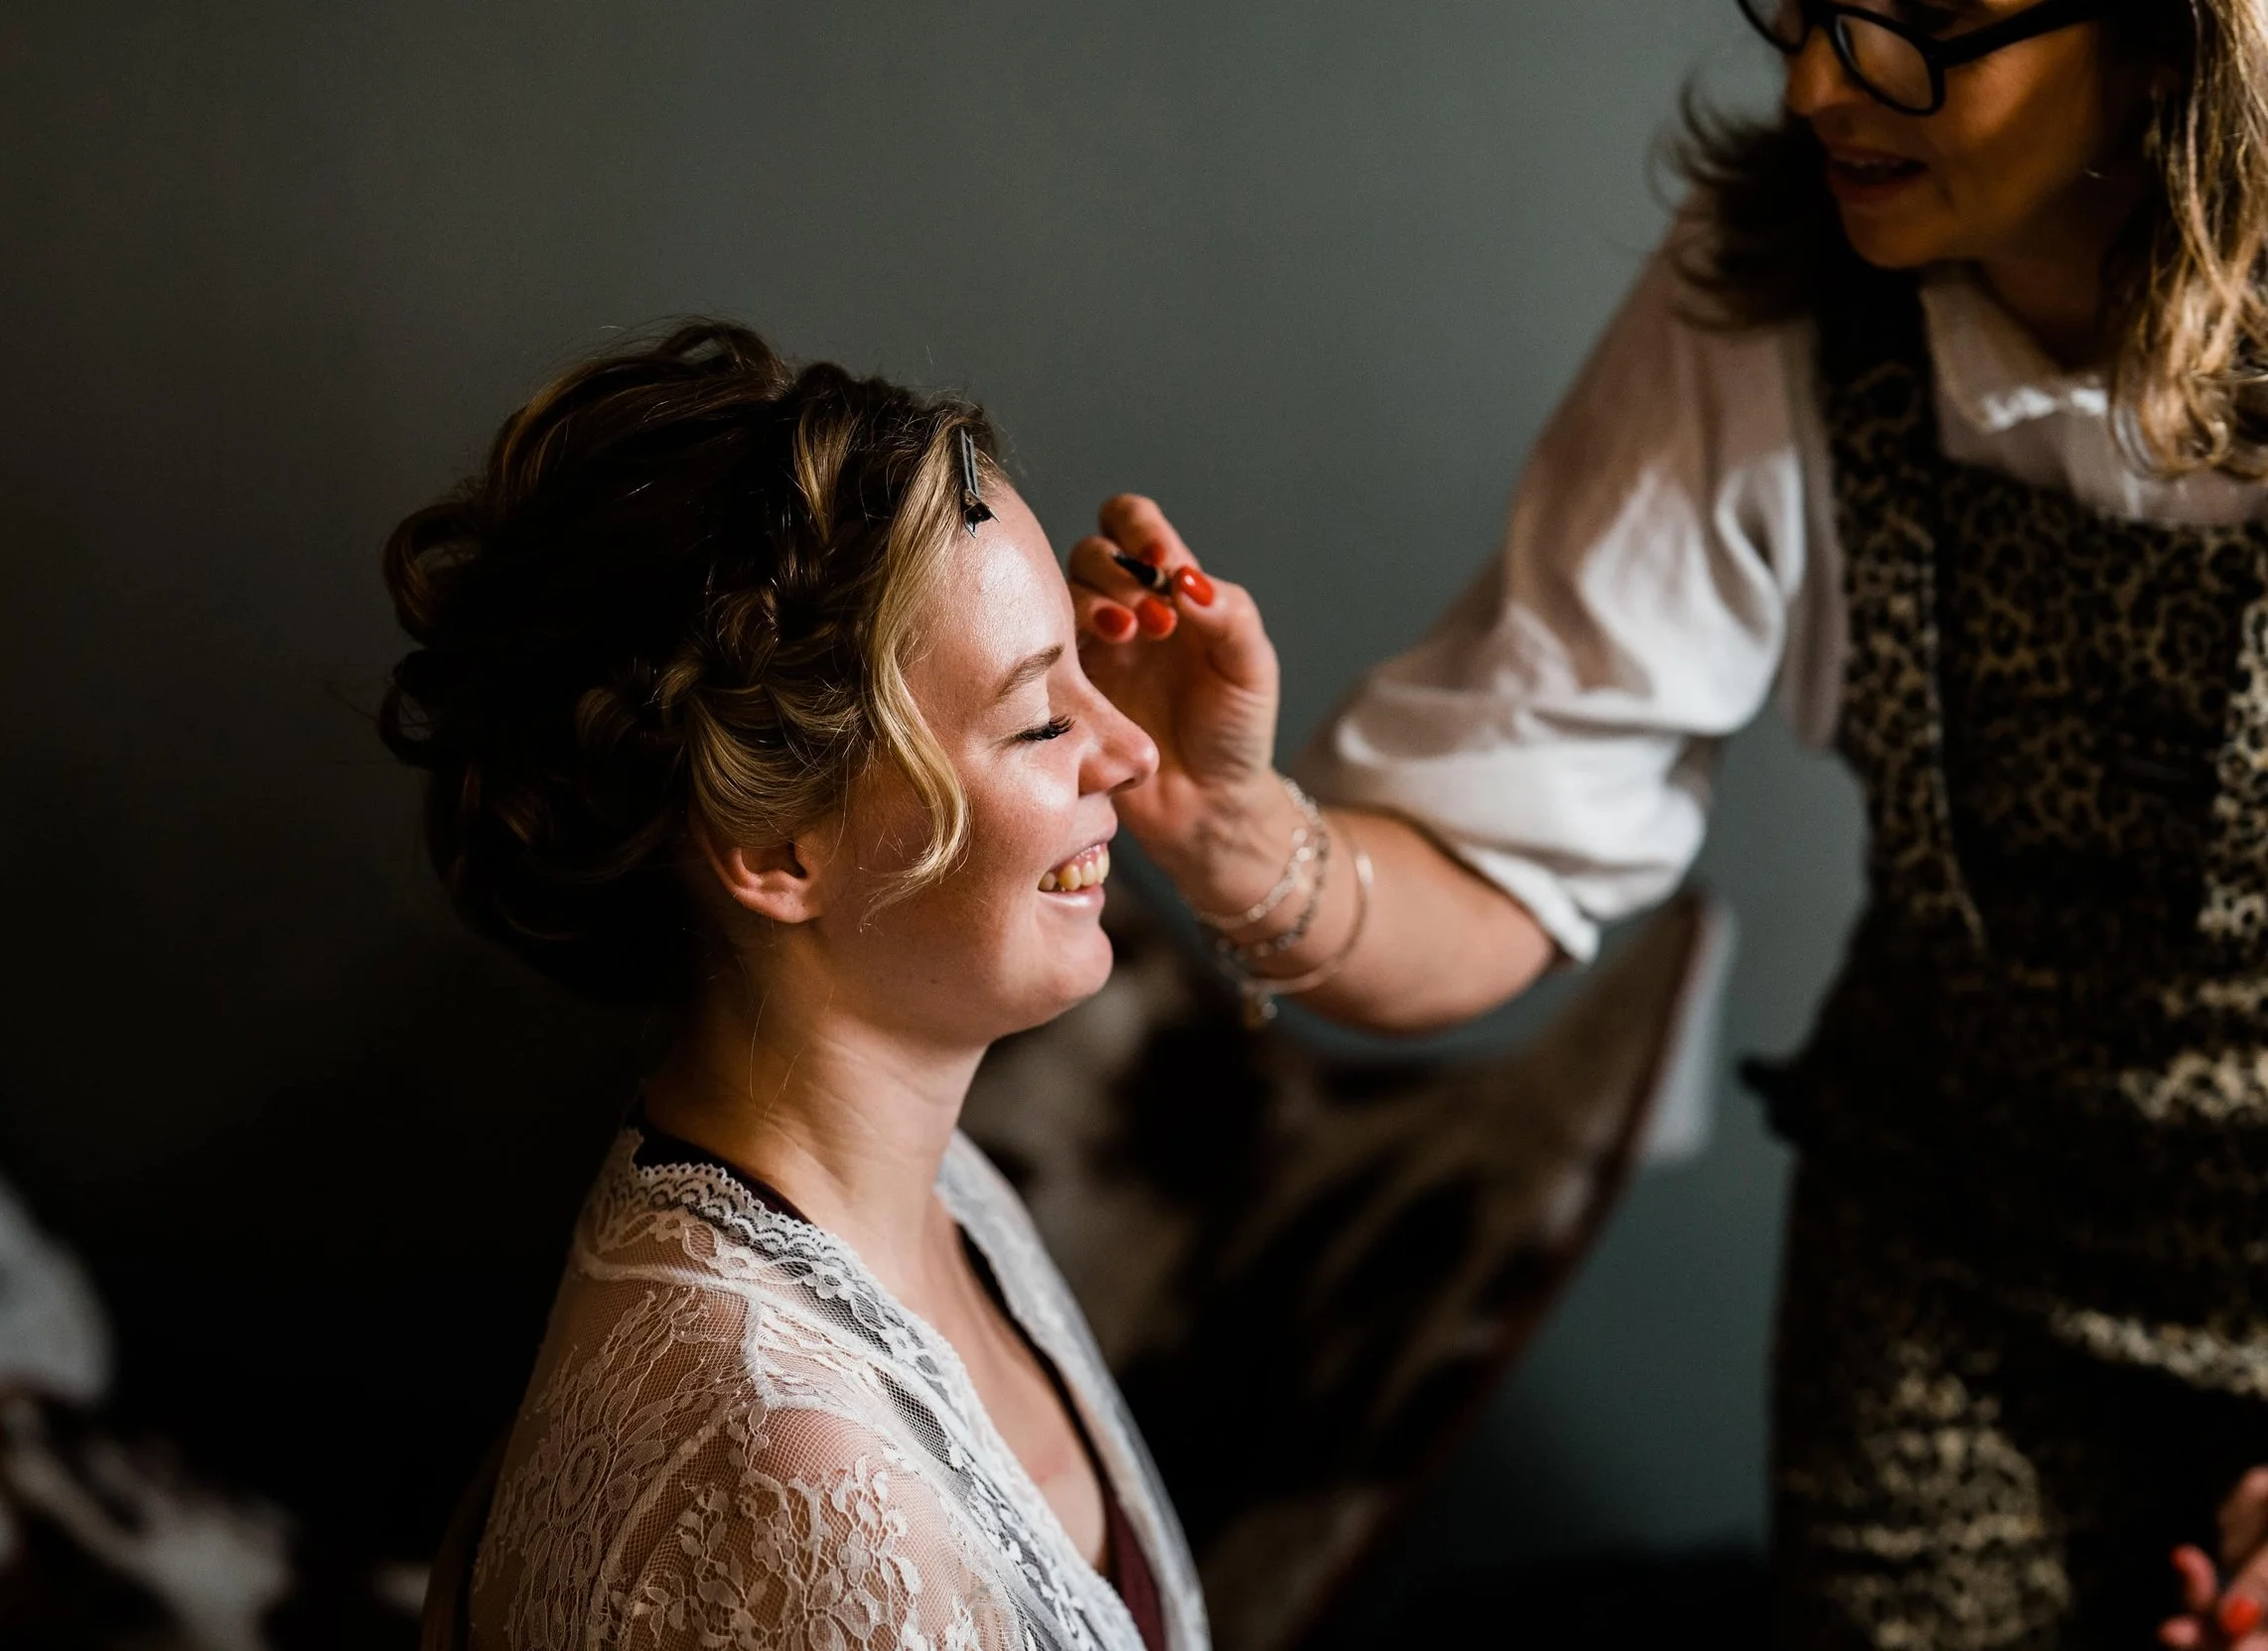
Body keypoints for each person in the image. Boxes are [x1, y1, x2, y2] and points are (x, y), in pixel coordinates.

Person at [1065, 2, 2268, 1646]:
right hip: (1952, 1261)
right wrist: (1241, 835)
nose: (1816, 82)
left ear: (2165, 39)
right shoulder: (1784, 295)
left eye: (1913, 23)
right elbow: (1497, 862)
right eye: (1802, 2)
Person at [376, 323, 1202, 1651]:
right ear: (776, 849)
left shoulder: (943, 1194)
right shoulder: (788, 1475)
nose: (1129, 747)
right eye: (1042, 715)